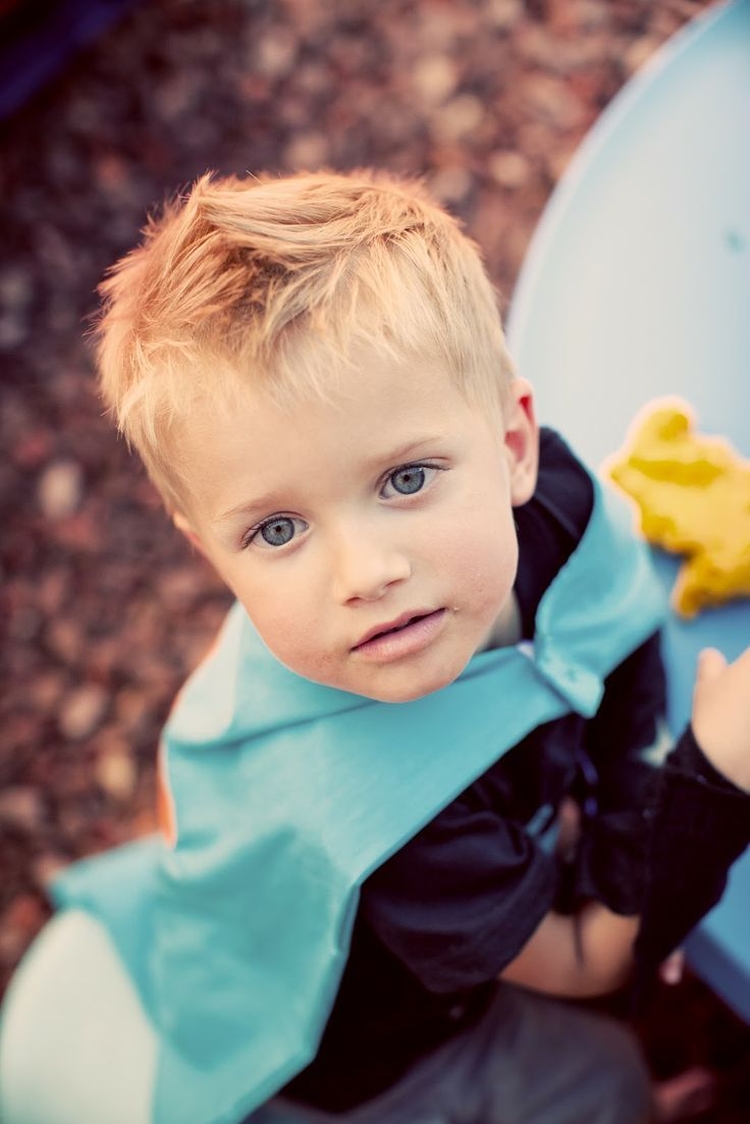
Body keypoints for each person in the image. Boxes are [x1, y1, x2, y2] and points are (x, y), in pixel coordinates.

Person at [1, 170, 748, 1124]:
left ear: (514, 443)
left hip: (457, 868)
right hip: (379, 1052)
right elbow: (583, 959)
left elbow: (618, 636)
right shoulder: (382, 825)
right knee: (603, 1082)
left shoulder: (558, 504)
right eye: (276, 532)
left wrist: (623, 818)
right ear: (210, 555)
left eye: (405, 478)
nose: (364, 572)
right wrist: (704, 789)